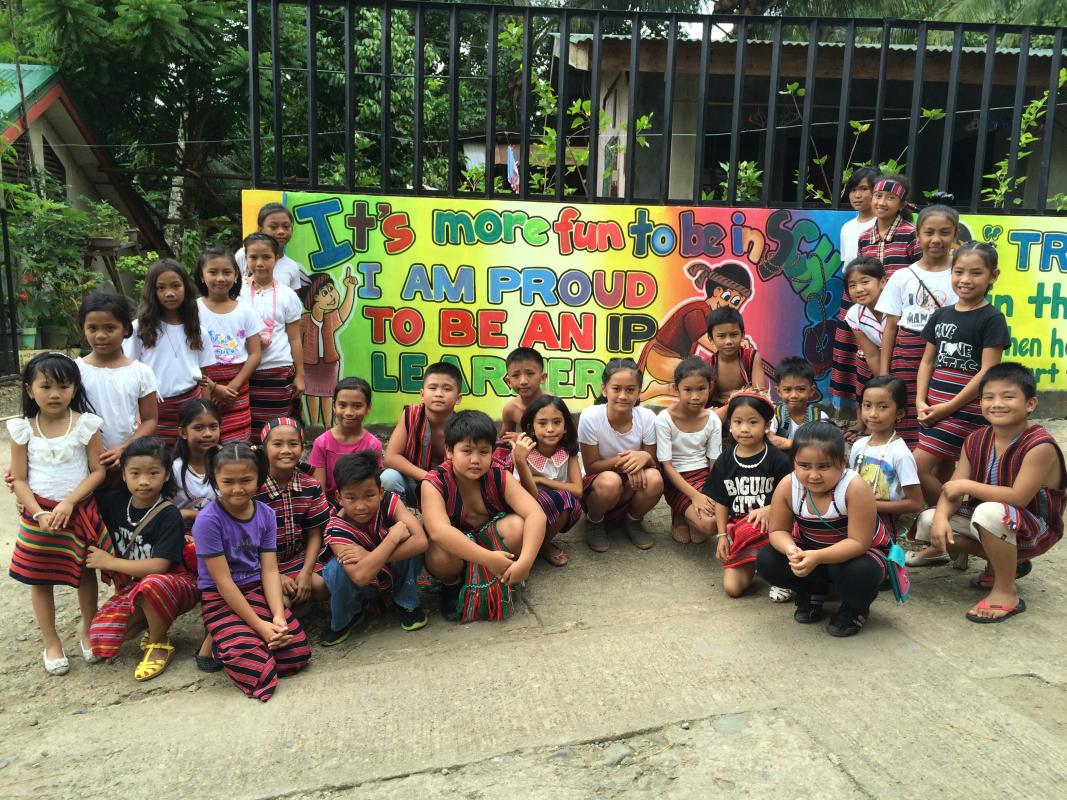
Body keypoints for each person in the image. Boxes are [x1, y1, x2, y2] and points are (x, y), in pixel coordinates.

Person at [912, 363, 1065, 622]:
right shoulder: (976, 439)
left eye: (1008, 397)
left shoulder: (1040, 445)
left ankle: (1006, 591)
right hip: (994, 523)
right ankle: (1003, 565)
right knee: (929, 522)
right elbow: (953, 491)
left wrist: (966, 486)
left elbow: (1018, 498)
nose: (997, 404)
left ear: (1030, 404)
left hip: (1035, 528)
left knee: (990, 511)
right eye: (989, 397)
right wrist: (940, 518)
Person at [8, 353, 107, 675]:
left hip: (76, 511)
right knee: (39, 578)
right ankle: (51, 642)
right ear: (29, 390)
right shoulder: (23, 430)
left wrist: (68, 503)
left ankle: (88, 628)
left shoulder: (86, 425)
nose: (54, 394)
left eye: (63, 386)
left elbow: (97, 472)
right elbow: (19, 478)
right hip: (38, 515)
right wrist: (38, 513)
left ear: (74, 388)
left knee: (83, 571)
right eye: (45, 386)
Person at [193, 442, 310, 701]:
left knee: (298, 654)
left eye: (246, 480)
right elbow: (222, 582)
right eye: (228, 481)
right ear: (215, 479)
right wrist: (260, 626)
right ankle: (222, 641)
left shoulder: (266, 514)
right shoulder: (207, 521)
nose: (237, 489)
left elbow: (269, 569)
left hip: (255, 590)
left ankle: (237, 638)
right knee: (259, 672)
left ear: (259, 477)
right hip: (221, 597)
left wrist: (278, 617)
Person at [756, 421, 895, 637]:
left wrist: (817, 557)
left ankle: (855, 608)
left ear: (842, 462)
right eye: (804, 465)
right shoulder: (788, 485)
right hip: (812, 552)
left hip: (856, 555)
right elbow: (777, 531)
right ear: (793, 462)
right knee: (768, 559)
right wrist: (791, 550)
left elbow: (859, 542)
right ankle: (811, 591)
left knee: (861, 572)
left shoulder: (854, 487)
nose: (813, 475)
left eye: (823, 466)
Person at [86, 438, 198, 681]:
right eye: (135, 473)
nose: (144, 481)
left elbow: (159, 567)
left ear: (166, 475)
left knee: (151, 584)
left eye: (153, 473)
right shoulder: (115, 502)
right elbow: (82, 499)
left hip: (176, 583)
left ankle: (158, 643)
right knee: (100, 636)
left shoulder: (169, 514)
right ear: (124, 474)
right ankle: (153, 618)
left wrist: (110, 562)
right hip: (134, 586)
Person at [422, 410, 547, 623]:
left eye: (483, 452)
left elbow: (536, 514)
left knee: (518, 525)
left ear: (492, 451)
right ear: (449, 451)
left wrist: (525, 563)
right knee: (440, 554)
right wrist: (488, 559)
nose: (475, 460)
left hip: (491, 539)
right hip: (459, 551)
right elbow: (438, 531)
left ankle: (507, 572)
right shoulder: (434, 482)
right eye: (467, 451)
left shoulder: (499, 475)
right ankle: (452, 585)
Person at [914, 242, 1009, 506]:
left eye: (976, 273)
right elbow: (927, 362)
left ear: (993, 276)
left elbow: (988, 371)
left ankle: (953, 517)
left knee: (916, 469)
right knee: (942, 467)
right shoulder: (941, 314)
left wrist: (949, 407)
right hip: (934, 406)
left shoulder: (992, 318)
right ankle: (946, 529)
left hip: (964, 410)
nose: (965, 280)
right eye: (959, 272)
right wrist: (920, 400)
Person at [321, 451, 429, 644]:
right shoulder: (335, 528)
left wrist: (369, 555)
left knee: (411, 545)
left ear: (380, 492)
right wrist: (392, 538)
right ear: (339, 497)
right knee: (335, 570)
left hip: (392, 574)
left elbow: (421, 542)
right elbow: (360, 576)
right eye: (351, 498)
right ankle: (350, 613)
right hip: (363, 585)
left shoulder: (390, 502)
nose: (361, 506)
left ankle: (406, 602)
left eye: (369, 495)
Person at [876, 204, 959, 448]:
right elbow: (890, 327)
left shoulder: (959, 276)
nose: (936, 239)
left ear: (955, 235)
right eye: (929, 232)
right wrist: (884, 373)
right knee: (906, 411)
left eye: (944, 233)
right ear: (917, 235)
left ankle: (931, 461)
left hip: (945, 359)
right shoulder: (902, 276)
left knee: (937, 411)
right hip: (905, 359)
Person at [704, 392, 791, 598]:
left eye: (753, 422)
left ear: (766, 425)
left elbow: (794, 497)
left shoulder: (778, 460)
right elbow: (722, 501)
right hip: (740, 530)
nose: (744, 428)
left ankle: (783, 576)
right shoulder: (725, 460)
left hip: (773, 529)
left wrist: (770, 508)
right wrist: (722, 535)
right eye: (738, 421)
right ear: (730, 425)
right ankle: (754, 563)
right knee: (732, 589)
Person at [124, 259, 216, 448]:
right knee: (157, 463)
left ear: (186, 287)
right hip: (152, 411)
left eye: (176, 286)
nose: (170, 293)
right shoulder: (139, 329)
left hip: (191, 406)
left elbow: (205, 377)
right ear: (152, 292)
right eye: (161, 288)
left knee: (191, 460)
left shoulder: (198, 330)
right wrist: (136, 414)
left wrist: (207, 412)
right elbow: (129, 374)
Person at [638, 260, 758, 402]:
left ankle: (659, 389)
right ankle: (658, 389)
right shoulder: (697, 312)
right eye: (729, 298)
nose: (731, 305)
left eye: (737, 302)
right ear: (717, 291)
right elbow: (713, 345)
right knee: (700, 384)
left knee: (701, 384)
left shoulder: (714, 318)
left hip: (677, 360)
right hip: (661, 358)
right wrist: (736, 346)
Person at [578, 358, 663, 552]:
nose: (623, 396)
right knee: (610, 482)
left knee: (655, 479)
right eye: (616, 389)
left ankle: (632, 520)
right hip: (600, 478)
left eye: (630, 390)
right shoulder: (590, 417)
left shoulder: (647, 417)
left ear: (639, 391)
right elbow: (591, 466)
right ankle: (594, 521)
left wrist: (644, 459)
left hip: (631, 474)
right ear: (604, 389)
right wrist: (627, 461)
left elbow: (650, 460)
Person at [75, 292, 158, 484]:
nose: (101, 335)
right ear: (83, 329)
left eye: (110, 327)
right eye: (92, 328)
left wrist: (125, 448)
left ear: (126, 328)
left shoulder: (141, 372)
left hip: (125, 463)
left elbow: (150, 419)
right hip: (80, 464)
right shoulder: (74, 370)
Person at [255, 417, 331, 606]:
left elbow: (315, 534)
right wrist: (277, 576)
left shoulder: (310, 485)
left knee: (321, 586)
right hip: (261, 564)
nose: (286, 450)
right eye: (277, 444)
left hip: (298, 557)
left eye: (293, 444)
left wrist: (306, 572)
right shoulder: (254, 488)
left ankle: (300, 598)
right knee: (282, 602)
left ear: (302, 448)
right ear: (264, 449)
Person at [195, 246, 263, 443]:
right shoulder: (192, 311)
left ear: (236, 276)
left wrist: (233, 386)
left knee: (237, 442)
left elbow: (254, 355)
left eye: (227, 272)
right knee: (206, 438)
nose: (220, 278)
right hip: (203, 382)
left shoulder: (245, 311)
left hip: (237, 385)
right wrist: (213, 387)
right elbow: (187, 355)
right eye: (213, 272)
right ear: (201, 276)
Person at [240, 232, 305, 435]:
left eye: (266, 257)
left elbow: (295, 337)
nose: (260, 263)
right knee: (245, 427)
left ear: (276, 258)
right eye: (253, 257)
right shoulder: (236, 291)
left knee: (275, 429)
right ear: (246, 258)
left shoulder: (287, 295)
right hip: (241, 371)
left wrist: (300, 375)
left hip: (277, 369)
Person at [655, 357, 721, 544]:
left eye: (701, 389)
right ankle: (678, 514)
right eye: (688, 390)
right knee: (705, 526)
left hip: (704, 477)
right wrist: (695, 496)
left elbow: (714, 464)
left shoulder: (713, 419)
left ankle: (690, 516)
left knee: (714, 523)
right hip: (676, 479)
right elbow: (666, 466)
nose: (695, 396)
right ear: (676, 389)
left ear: (710, 387)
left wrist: (710, 494)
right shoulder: (664, 419)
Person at [511, 394, 583, 566]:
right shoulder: (523, 452)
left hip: (554, 506)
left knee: (566, 499)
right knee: (559, 497)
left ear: (565, 426)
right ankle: (532, 544)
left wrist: (539, 479)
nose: (550, 429)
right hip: (523, 507)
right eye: (542, 423)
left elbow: (578, 490)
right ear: (531, 427)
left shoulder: (568, 451)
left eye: (557, 422)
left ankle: (542, 544)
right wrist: (520, 462)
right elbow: (527, 495)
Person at [848, 377, 923, 541]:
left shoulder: (900, 454)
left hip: (882, 528)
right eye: (867, 405)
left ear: (899, 413)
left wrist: (871, 505)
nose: (873, 414)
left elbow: (916, 503)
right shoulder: (859, 445)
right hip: (852, 518)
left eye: (882, 407)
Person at [829, 167, 879, 411]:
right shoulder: (847, 227)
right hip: (850, 296)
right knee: (846, 352)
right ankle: (848, 410)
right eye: (853, 190)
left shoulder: (880, 226)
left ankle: (871, 408)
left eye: (864, 189)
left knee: (869, 356)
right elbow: (847, 266)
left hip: (875, 302)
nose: (857, 195)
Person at [381, 361, 463, 507]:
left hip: (448, 489)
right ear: (422, 394)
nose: (439, 394)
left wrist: (438, 483)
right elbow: (390, 457)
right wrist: (428, 477)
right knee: (388, 477)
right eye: (432, 387)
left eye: (447, 389)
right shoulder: (411, 414)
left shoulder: (463, 425)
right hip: (413, 483)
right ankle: (400, 518)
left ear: (458, 398)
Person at [308, 377, 382, 504]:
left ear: (368, 407)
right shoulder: (322, 443)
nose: (349, 412)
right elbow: (319, 490)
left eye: (357, 406)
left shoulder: (373, 445)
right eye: (342, 405)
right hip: (330, 503)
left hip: (361, 503)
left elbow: (372, 485)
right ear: (334, 406)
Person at [301, 268, 357, 427]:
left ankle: (327, 428)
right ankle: (313, 427)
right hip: (309, 364)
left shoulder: (330, 318)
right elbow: (296, 343)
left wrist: (350, 289)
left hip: (329, 363)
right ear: (314, 298)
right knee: (311, 395)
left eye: (331, 290)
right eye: (325, 293)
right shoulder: (304, 320)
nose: (332, 295)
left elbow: (344, 312)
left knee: (327, 396)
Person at [839, 257, 888, 438]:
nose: (858, 289)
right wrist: (885, 384)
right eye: (852, 285)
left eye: (865, 282)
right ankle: (870, 423)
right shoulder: (854, 314)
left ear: (882, 281)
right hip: (881, 361)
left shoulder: (897, 306)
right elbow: (872, 354)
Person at [703, 307, 766, 417]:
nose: (728, 341)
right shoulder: (708, 365)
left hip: (746, 408)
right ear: (711, 339)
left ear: (742, 335)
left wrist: (737, 401)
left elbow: (759, 392)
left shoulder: (751, 357)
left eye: (734, 335)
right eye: (721, 336)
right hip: (718, 413)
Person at [493, 347, 548, 469]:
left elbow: (561, 440)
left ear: (542, 377)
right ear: (508, 381)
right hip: (525, 459)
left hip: (553, 459)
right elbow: (504, 440)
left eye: (530, 374)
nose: (523, 381)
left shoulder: (552, 405)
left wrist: (522, 438)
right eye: (516, 375)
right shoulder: (511, 408)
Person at [857, 173, 920, 278]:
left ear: (902, 205)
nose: (881, 203)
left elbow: (922, 273)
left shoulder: (911, 234)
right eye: (878, 196)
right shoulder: (864, 238)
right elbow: (860, 274)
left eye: (890, 197)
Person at [235, 202, 306, 291]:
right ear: (260, 230)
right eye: (273, 227)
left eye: (286, 226)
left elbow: (293, 302)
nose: (281, 231)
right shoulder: (243, 255)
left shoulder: (292, 267)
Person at [768, 357, 828, 451]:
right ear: (779, 391)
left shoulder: (820, 416)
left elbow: (825, 444)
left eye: (801, 389)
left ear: (811, 391)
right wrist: (801, 445)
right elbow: (770, 439)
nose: (794, 395)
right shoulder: (773, 414)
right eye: (787, 390)